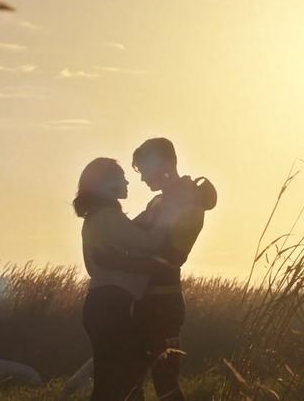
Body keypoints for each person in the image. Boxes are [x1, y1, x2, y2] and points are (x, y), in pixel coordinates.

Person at [74, 157, 173, 401]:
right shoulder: (109, 216)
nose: (127, 181)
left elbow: (91, 267)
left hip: (97, 304)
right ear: (106, 184)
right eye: (120, 177)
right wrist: (166, 213)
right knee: (127, 381)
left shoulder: (92, 220)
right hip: (115, 306)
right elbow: (150, 242)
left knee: (107, 383)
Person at [130, 138, 217, 401]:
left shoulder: (188, 199)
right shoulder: (159, 202)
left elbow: (171, 253)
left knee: (164, 383)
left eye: (145, 169)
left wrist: (125, 260)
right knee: (133, 380)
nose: (143, 178)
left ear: (165, 164)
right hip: (147, 299)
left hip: (162, 302)